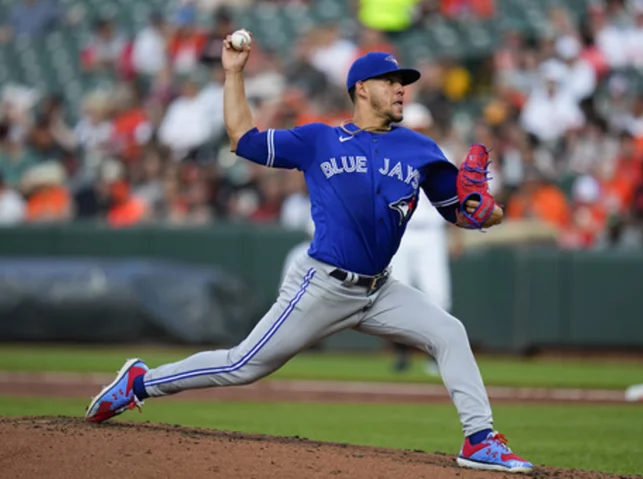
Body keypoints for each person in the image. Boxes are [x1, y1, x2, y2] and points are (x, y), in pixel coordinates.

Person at [84, 30, 532, 473]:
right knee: (244, 365)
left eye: (404, 83)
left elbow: (466, 212)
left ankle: (480, 440)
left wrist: (486, 209)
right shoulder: (319, 139)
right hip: (322, 285)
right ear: (362, 88)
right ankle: (140, 383)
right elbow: (243, 138)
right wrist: (234, 74)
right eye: (390, 81)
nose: (400, 89)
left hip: (381, 290)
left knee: (449, 332)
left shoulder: (419, 148)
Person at [390, 103, 462, 376]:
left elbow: (453, 199)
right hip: (404, 231)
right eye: (415, 127)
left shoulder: (439, 154)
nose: (419, 131)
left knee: (437, 295)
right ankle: (402, 355)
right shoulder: (394, 153)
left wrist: (455, 236)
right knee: (398, 293)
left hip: (432, 232)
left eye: (423, 126)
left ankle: (436, 355)